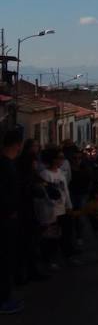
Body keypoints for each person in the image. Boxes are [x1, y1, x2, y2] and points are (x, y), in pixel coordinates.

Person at [14, 140, 47, 285]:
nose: (36, 165)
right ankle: (25, 274)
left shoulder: (24, 173)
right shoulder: (25, 177)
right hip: (24, 214)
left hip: (26, 213)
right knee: (27, 245)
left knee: (28, 245)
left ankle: (27, 273)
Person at [0, 126, 24, 315]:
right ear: (18, 144)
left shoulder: (8, 163)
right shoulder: (6, 165)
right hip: (6, 220)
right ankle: (4, 300)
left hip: (8, 218)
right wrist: (11, 212)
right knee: (5, 259)